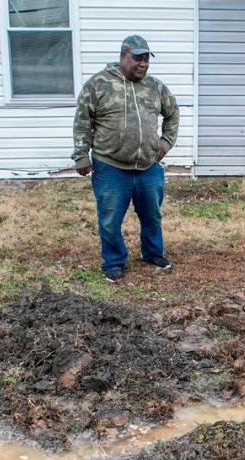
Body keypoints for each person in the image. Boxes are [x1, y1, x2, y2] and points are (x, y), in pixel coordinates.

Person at [72, 34, 180, 283]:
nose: (143, 64)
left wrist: (165, 143)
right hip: (111, 167)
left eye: (146, 59)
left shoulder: (155, 87)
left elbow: (173, 114)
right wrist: (81, 156)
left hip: (148, 167)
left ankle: (152, 253)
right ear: (123, 56)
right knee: (110, 219)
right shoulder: (98, 85)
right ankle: (114, 262)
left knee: (152, 215)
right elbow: (82, 122)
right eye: (137, 58)